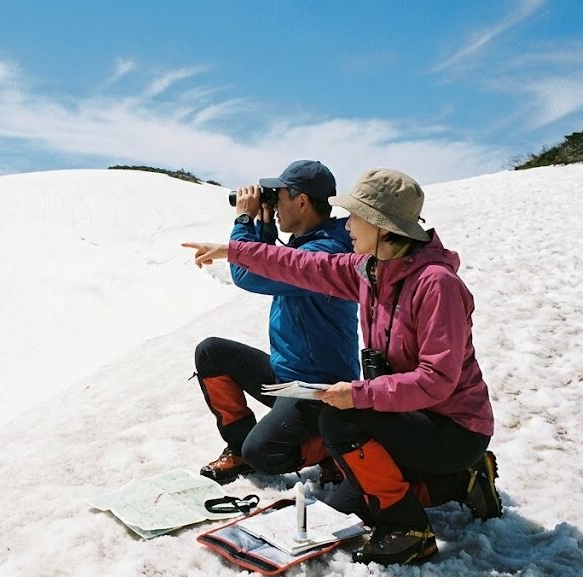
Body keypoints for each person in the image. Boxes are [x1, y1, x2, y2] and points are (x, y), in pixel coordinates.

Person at [183, 168, 502, 566]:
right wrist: (235, 249)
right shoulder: (370, 271)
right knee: (345, 506)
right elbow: (298, 266)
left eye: (356, 216)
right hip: (404, 415)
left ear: (384, 227)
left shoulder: (436, 284)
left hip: (452, 427)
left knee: (340, 422)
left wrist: (358, 394)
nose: (347, 224)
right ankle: (460, 481)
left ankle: (409, 530)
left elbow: (437, 380)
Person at [192, 160, 359, 485]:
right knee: (211, 353)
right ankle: (238, 448)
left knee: (263, 454)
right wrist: (265, 223)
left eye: (278, 197)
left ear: (302, 201)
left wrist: (244, 220)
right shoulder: (304, 243)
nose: (274, 205)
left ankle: (330, 447)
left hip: (319, 391)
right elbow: (269, 259)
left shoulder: (324, 253)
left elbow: (251, 273)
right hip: (287, 379)